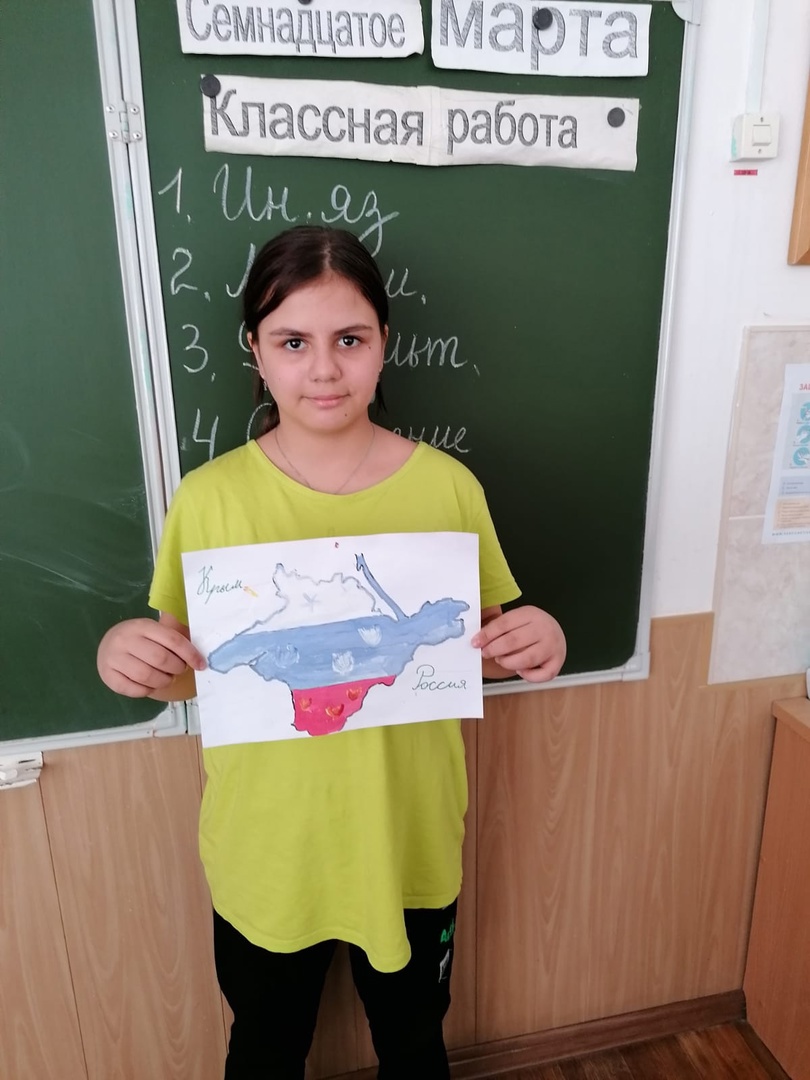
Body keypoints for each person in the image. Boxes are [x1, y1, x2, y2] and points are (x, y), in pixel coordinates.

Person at [97, 226, 566, 1080]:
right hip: (268, 849)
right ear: (255, 349)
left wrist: (537, 641)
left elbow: (482, 648)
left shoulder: (448, 487)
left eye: (350, 340)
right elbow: (180, 665)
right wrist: (120, 655)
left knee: (414, 1043)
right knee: (266, 1048)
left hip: (408, 839)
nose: (323, 369)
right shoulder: (208, 499)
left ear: (384, 342)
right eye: (293, 343)